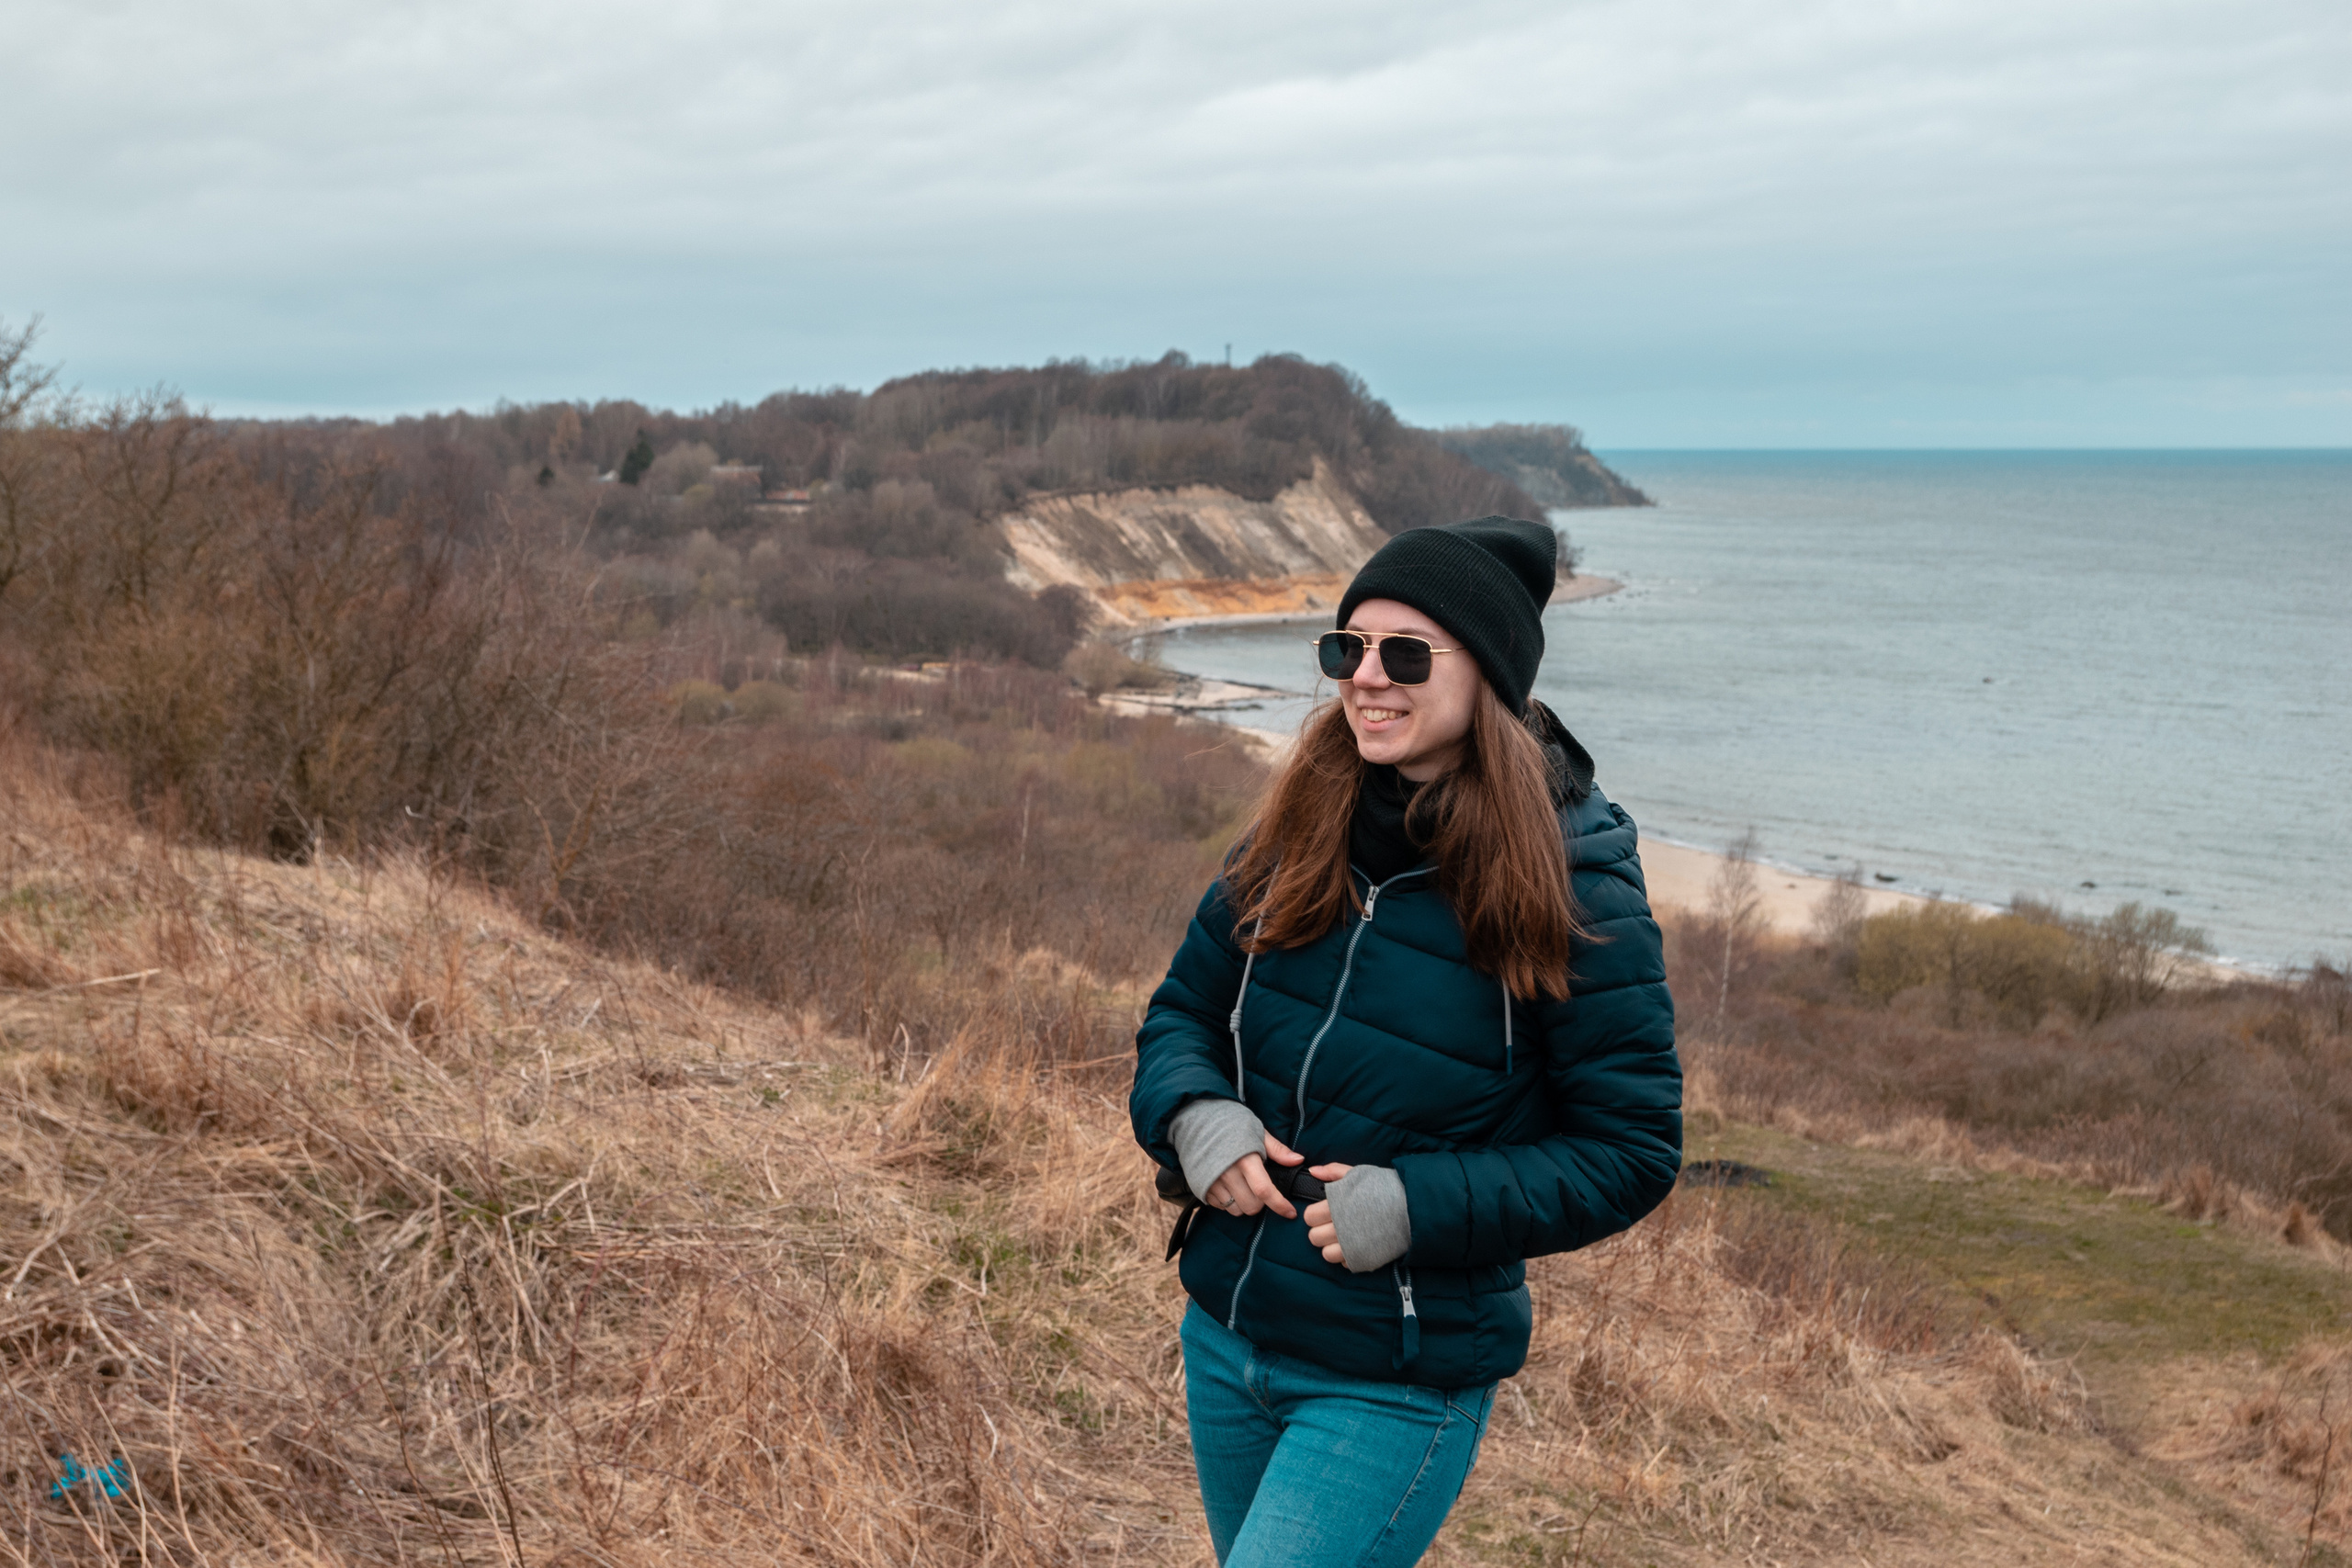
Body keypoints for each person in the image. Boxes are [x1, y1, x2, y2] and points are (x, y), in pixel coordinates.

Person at [1129, 515, 1681, 1567]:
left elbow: (1630, 1150)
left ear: (1491, 679)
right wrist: (1192, 1115)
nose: (1367, 679)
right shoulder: (1300, 826)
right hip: (1229, 1334)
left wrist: (1416, 1205)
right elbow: (1182, 1015)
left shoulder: (1577, 882)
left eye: (1406, 655)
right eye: (1348, 649)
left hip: (1392, 1379)